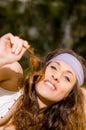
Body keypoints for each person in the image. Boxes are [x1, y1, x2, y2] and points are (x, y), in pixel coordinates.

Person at [0, 33, 86, 130]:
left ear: (69, 94)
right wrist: (1, 59)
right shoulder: (12, 74)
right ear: (41, 70)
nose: (56, 76)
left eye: (67, 78)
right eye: (53, 67)